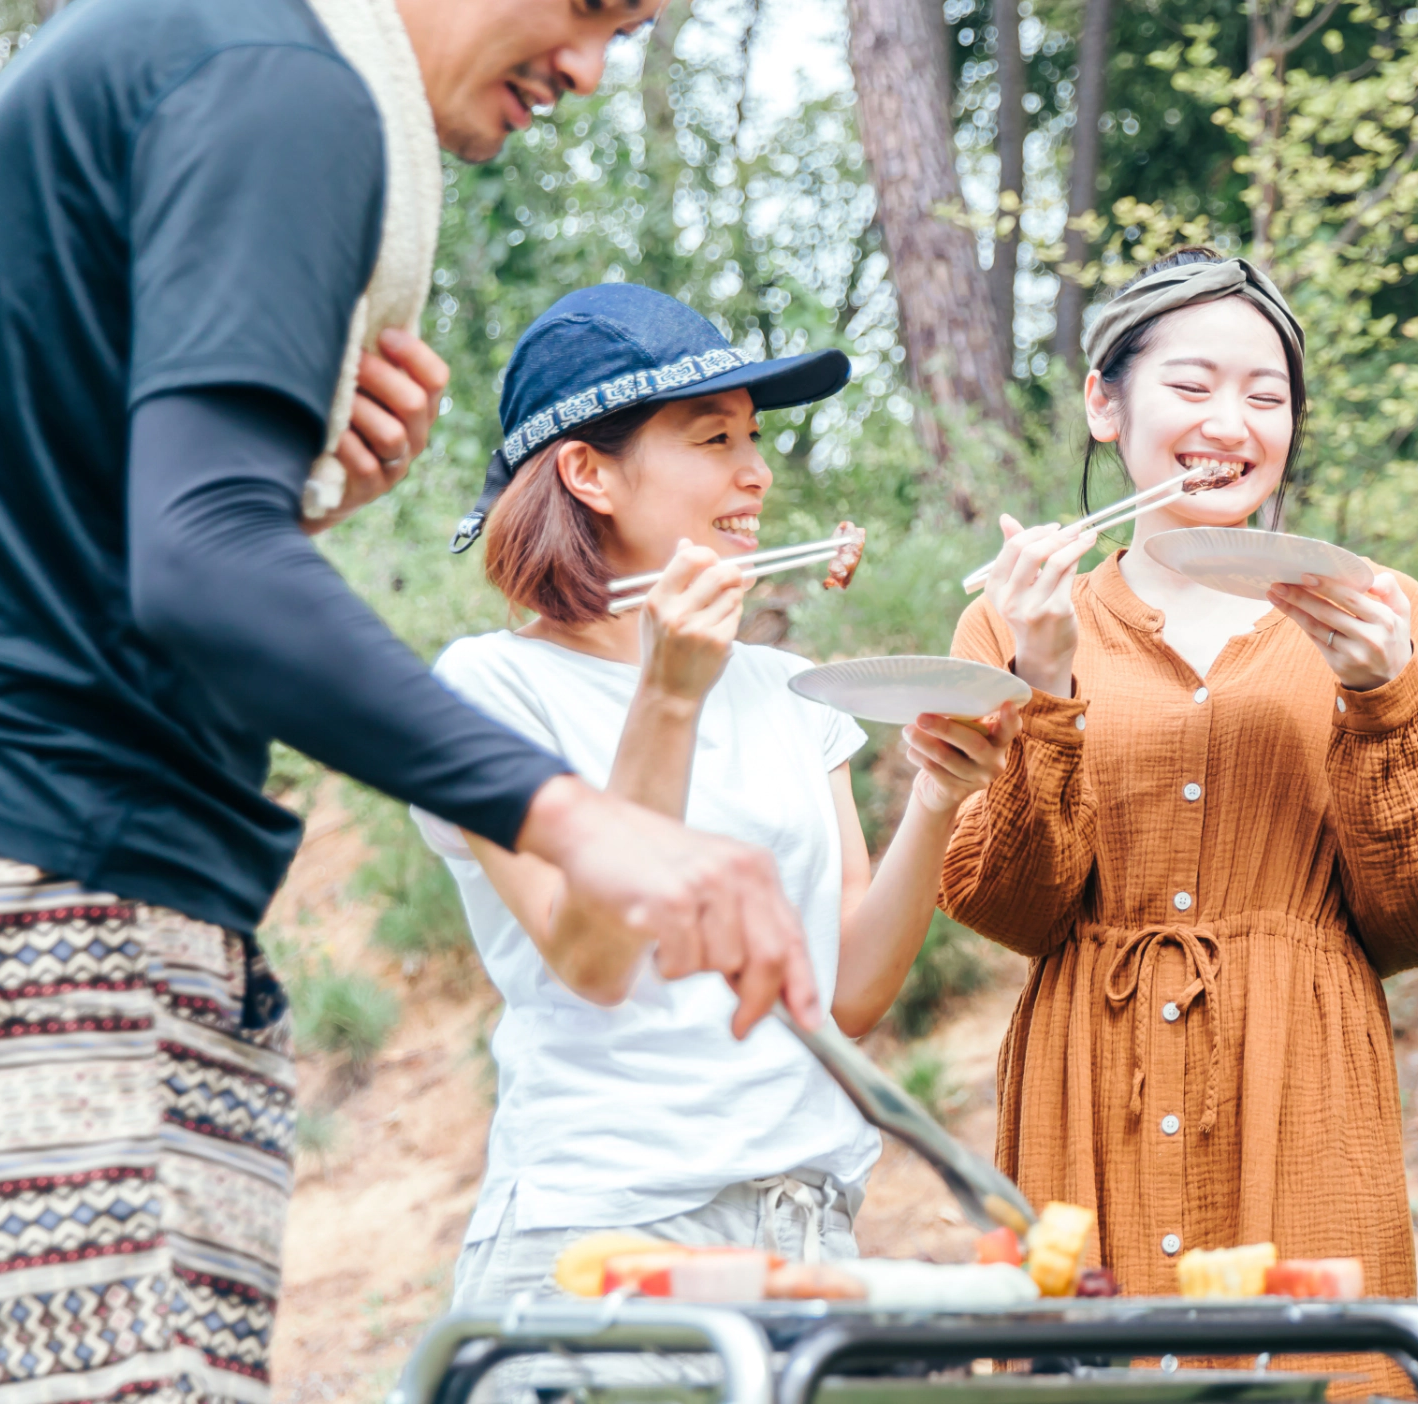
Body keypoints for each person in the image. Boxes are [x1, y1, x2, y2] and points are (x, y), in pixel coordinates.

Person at [0, 3, 818, 1400]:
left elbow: (116, 556)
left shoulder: (200, 51)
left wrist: (292, 498)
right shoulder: (286, 76)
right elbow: (197, 566)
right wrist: (581, 820)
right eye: (587, 5)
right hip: (12, 903)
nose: (593, 66)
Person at [940, 249, 1418, 1395]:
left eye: (1266, 397)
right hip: (1090, 1092)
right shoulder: (1016, 616)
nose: (1230, 421)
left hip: (1302, 1093)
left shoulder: (1377, 609)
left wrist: (1382, 698)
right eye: (1191, 386)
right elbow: (1006, 903)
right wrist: (1043, 679)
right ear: (1104, 403)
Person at [417, 284, 1014, 1292]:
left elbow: (851, 997)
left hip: (808, 1235)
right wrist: (667, 695)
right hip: (603, 1235)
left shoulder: (790, 689)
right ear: (587, 473)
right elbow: (595, 957)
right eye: (713, 440)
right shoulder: (489, 688)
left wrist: (935, 796)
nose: (758, 472)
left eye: (752, 436)